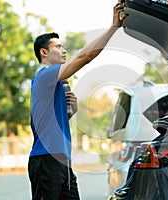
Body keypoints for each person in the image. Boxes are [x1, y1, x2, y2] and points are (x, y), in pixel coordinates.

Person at [28, 2, 126, 200]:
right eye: (58, 46)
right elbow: (85, 57)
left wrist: (71, 109)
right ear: (44, 53)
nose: (63, 50)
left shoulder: (60, 82)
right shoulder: (45, 75)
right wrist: (113, 28)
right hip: (46, 160)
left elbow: (58, 121)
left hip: (63, 160)